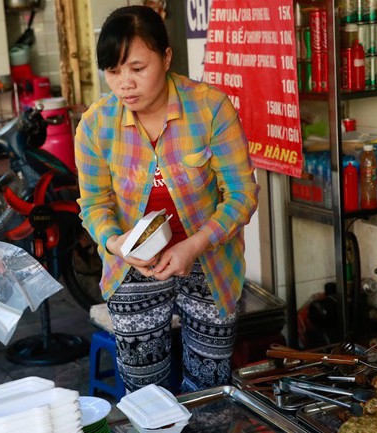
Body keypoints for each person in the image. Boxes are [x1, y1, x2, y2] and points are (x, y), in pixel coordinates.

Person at [74, 5, 259, 393]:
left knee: (209, 391)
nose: (125, 83)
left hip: (209, 261)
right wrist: (116, 242)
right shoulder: (95, 125)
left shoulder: (210, 108)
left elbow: (241, 195)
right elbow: (94, 205)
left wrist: (194, 245)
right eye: (113, 71)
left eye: (137, 68)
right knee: (145, 395)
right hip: (132, 266)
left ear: (167, 57)